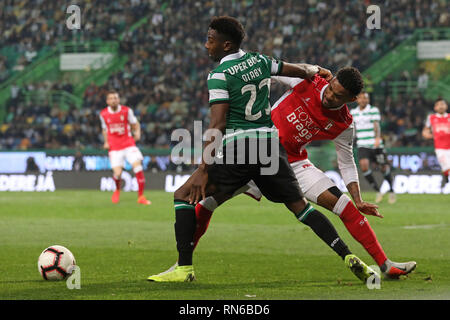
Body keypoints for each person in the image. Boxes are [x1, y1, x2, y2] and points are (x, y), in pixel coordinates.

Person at [147, 16, 377, 283]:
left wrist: (202, 168)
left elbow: (217, 123)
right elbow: (299, 70)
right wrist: (317, 69)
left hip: (242, 148)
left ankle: (184, 269)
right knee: (301, 208)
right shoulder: (260, 61)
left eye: (210, 40)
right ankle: (348, 255)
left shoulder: (219, 75)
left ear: (226, 45)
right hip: (271, 147)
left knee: (183, 195)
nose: (205, 45)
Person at [165, 67, 417, 280]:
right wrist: (310, 67)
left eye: (337, 96)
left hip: (292, 162)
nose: (328, 96)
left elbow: (347, 161)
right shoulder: (306, 81)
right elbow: (273, 68)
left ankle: (385, 265)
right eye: (330, 88)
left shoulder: (344, 124)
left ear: (349, 99)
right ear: (329, 81)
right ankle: (183, 265)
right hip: (256, 151)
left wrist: (358, 198)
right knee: (206, 204)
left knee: (345, 206)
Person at [99, 90, 151, 205]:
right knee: (117, 173)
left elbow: (135, 123)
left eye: (115, 98)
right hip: (114, 146)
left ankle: (141, 196)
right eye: (111, 98)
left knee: (137, 166)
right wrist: (106, 142)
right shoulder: (103, 114)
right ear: (107, 101)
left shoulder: (126, 111)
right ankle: (117, 190)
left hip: (128, 144)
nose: (114, 100)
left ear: (119, 99)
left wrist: (138, 133)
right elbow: (104, 129)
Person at [350, 92, 396, 204]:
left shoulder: (373, 110)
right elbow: (353, 128)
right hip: (362, 144)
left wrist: (377, 138)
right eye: (361, 98)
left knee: (383, 168)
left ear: (368, 100)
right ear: (357, 100)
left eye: (365, 98)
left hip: (375, 144)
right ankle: (378, 190)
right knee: (364, 167)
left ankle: (391, 191)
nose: (363, 100)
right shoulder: (353, 112)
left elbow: (376, 125)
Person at [422, 98, 450, 189]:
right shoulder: (431, 118)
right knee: (446, 165)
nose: (441, 106)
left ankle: (445, 177)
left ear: (446, 106)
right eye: (439, 104)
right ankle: (445, 176)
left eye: (443, 104)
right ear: (435, 107)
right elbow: (425, 132)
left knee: (447, 167)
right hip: (440, 148)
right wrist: (431, 136)